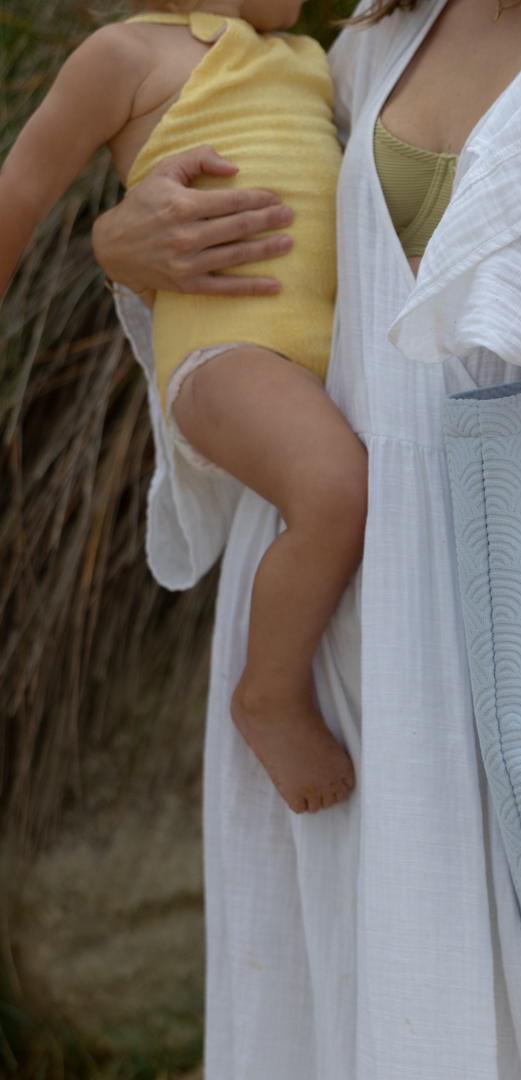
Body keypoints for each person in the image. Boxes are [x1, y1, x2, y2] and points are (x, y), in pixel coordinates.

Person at [93, 0, 521, 1074]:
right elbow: (284, 286)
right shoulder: (386, 24)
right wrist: (125, 244)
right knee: (381, 1000)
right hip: (362, 623)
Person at [0, 0, 364, 814]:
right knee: (336, 489)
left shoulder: (309, 58)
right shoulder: (124, 55)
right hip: (225, 352)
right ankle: (268, 692)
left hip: (323, 357)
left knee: (338, 485)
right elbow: (18, 190)